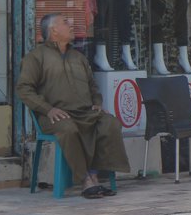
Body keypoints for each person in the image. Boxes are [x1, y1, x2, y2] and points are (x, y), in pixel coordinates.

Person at [14, 13, 131, 199]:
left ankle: (94, 175)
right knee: (68, 129)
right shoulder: (35, 57)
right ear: (53, 31)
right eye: (65, 23)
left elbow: (93, 86)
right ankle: (84, 179)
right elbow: (24, 89)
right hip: (53, 115)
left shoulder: (78, 57)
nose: (71, 26)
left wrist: (97, 104)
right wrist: (48, 109)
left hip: (85, 112)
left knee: (110, 123)